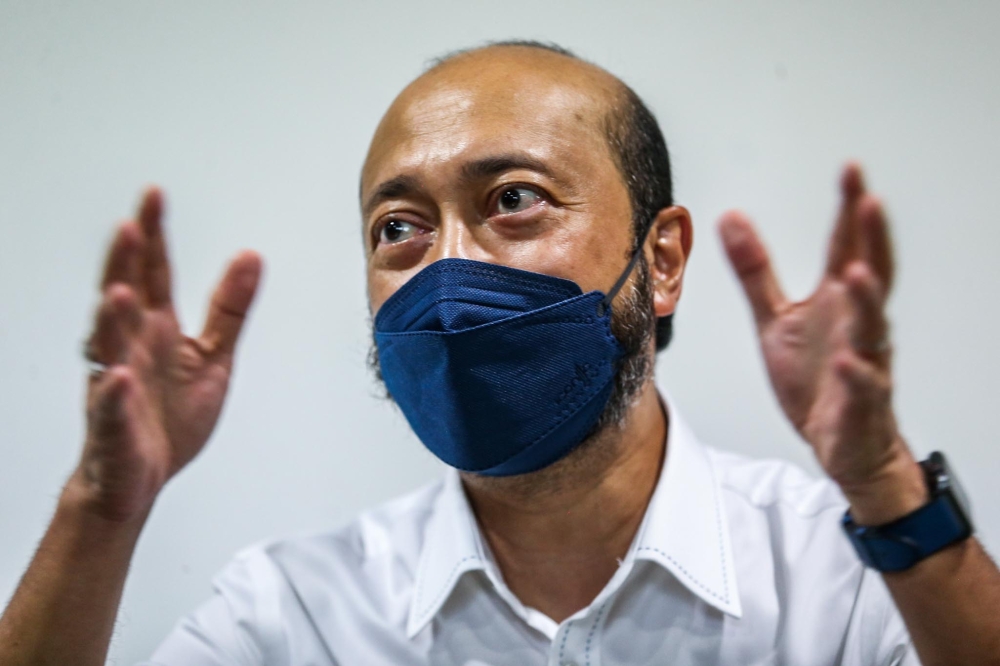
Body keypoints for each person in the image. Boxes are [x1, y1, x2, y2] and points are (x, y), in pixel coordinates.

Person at [1, 39, 998, 666]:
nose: (448, 270)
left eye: (514, 200)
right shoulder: (294, 616)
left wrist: (886, 490)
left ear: (660, 261)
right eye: (399, 228)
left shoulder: (844, 580)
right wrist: (102, 508)